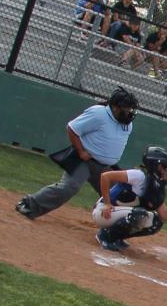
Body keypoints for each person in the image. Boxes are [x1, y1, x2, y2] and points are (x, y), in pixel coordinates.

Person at [15, 87, 138, 220]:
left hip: (106, 167)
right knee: (69, 187)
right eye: (126, 108)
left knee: (120, 195)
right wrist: (81, 151)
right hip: (85, 161)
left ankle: (113, 227)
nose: (129, 112)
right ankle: (29, 204)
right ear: (114, 107)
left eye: (131, 108)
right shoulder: (99, 114)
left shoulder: (127, 124)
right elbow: (72, 128)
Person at [92, 146, 167, 251]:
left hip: (115, 213)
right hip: (103, 211)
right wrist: (107, 203)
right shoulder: (139, 175)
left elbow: (164, 215)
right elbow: (105, 176)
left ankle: (116, 237)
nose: (165, 170)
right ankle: (105, 236)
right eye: (163, 166)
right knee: (140, 214)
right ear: (154, 165)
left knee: (156, 222)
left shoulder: (153, 186)